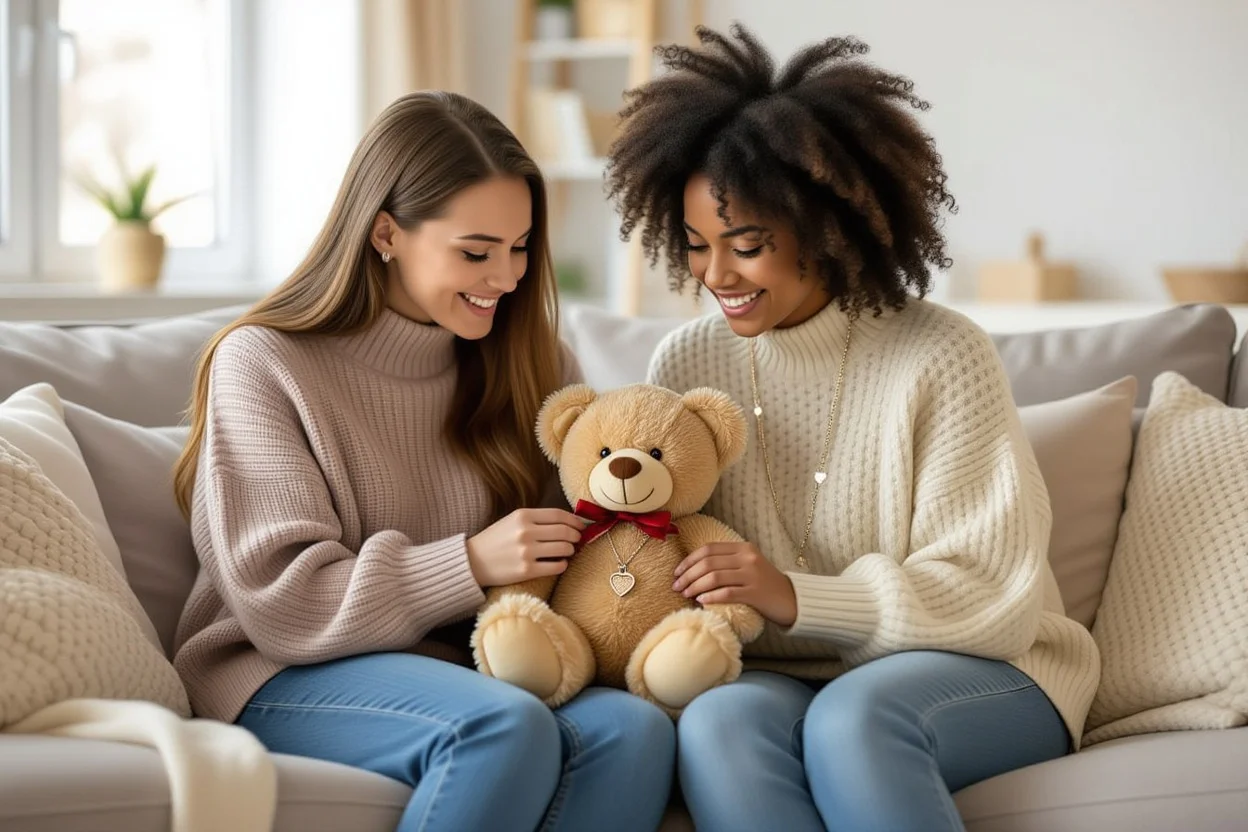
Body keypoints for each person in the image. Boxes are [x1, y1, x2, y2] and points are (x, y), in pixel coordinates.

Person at [605, 24, 1100, 832]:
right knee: (716, 723)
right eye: (696, 246)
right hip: (773, 671)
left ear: (828, 226)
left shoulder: (943, 354)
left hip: (987, 666)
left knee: (855, 721)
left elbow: (992, 597)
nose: (716, 275)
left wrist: (794, 594)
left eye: (747, 245)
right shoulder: (686, 360)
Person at [172, 91, 675, 832]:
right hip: (280, 669)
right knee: (500, 727)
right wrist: (468, 562)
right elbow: (283, 604)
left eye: (519, 247)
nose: (505, 278)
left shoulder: (537, 366)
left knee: (635, 731)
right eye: (475, 252)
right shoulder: (264, 362)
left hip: (471, 664)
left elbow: (579, 553)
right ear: (386, 233)